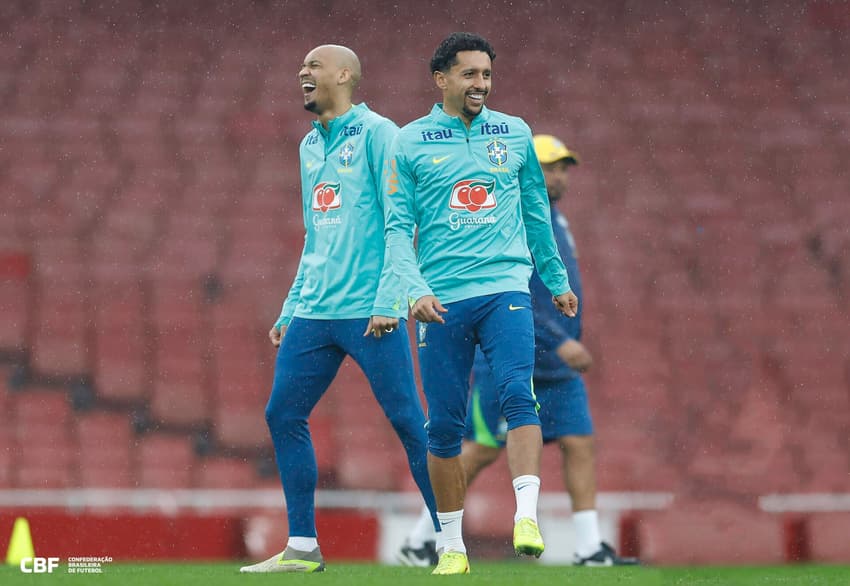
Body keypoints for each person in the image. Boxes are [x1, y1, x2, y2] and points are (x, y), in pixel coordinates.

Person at [382, 32, 578, 575]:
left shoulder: (513, 133)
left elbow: (536, 211)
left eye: (487, 75)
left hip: (506, 289)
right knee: (442, 427)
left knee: (519, 391)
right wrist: (413, 290)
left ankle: (527, 515)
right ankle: (450, 546)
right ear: (441, 79)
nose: (481, 85)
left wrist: (555, 278)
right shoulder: (410, 141)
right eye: (470, 74)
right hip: (441, 302)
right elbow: (396, 228)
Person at [239, 44, 438, 574]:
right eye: (301, 65)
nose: (301, 72)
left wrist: (390, 298)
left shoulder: (380, 134)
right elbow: (315, 235)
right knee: (283, 413)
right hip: (315, 310)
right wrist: (290, 307)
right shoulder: (308, 146)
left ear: (344, 75)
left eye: (313, 66)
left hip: (369, 310)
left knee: (408, 422)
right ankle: (302, 545)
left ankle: (450, 536)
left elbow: (403, 221)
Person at [400, 135, 639, 567]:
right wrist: (559, 339)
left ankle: (589, 547)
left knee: (580, 443)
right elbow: (511, 294)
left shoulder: (555, 220)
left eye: (563, 168)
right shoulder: (512, 218)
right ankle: (422, 536)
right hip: (508, 356)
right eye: (550, 167)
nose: (559, 176)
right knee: (479, 449)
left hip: (556, 366)